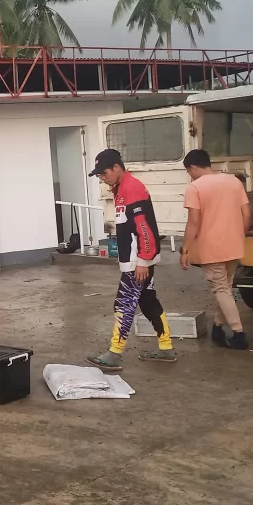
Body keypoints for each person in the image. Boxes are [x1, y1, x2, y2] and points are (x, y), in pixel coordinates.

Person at [86, 149, 175, 371]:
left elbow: (143, 228)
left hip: (138, 263)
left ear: (117, 167)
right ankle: (166, 348)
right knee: (147, 302)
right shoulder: (122, 188)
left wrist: (143, 261)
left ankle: (114, 354)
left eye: (104, 173)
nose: (102, 178)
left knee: (124, 304)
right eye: (99, 175)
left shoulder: (132, 188)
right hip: (138, 261)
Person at [180, 149, 251, 350]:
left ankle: (239, 334)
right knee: (225, 289)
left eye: (188, 171)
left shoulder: (194, 188)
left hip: (211, 248)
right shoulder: (234, 181)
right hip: (234, 245)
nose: (190, 175)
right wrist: (239, 236)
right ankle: (218, 328)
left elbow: (193, 222)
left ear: (192, 167)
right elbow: (246, 214)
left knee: (221, 289)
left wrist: (185, 250)